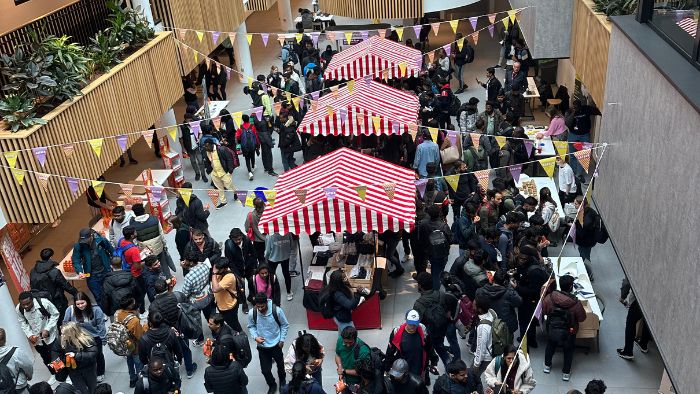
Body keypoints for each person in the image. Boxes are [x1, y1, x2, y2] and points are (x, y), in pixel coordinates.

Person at [542, 274, 586, 381]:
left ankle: (547, 366)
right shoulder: (576, 303)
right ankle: (566, 373)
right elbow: (582, 318)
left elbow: (544, 311)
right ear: (571, 287)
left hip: (552, 328)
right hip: (569, 331)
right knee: (568, 350)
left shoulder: (550, 297)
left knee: (550, 345)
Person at [248, 292, 290, 394]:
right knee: (265, 370)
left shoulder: (277, 311)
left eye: (262, 306)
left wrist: (281, 339)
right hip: (262, 346)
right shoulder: (252, 313)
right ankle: (272, 384)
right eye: (258, 307)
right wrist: (255, 337)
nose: (260, 309)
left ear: (266, 302)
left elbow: (285, 325)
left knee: (280, 365)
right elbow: (251, 326)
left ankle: (282, 380)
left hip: (276, 344)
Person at [63, 292, 107, 382]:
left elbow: (101, 326)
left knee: (98, 355)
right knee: (84, 356)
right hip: (78, 338)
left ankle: (100, 372)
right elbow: (65, 323)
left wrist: (102, 339)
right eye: (78, 304)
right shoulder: (70, 310)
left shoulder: (96, 310)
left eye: (82, 303)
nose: (80, 306)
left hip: (94, 338)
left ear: (87, 301)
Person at [16, 291, 59, 381]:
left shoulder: (44, 303)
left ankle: (62, 374)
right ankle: (53, 374)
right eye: (23, 304)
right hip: (37, 340)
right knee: (45, 357)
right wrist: (30, 335)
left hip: (50, 335)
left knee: (54, 356)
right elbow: (23, 322)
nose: (26, 306)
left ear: (33, 300)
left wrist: (47, 329)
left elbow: (55, 314)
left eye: (28, 303)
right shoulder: (19, 309)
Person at [384, 310, 437, 382]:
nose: (413, 326)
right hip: (403, 370)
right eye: (410, 324)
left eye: (415, 324)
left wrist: (434, 362)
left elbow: (429, 347)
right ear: (406, 320)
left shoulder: (423, 330)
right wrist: (387, 368)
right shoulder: (396, 332)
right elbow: (390, 351)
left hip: (419, 368)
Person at [30, 248, 78, 326]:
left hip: (42, 301)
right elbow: (65, 285)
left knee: (52, 319)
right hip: (57, 300)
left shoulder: (33, 271)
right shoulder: (54, 272)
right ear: (51, 257)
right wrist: (76, 293)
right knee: (64, 319)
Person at [513, 244, 548, 348]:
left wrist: (516, 288)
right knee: (527, 321)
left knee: (526, 321)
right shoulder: (523, 264)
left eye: (523, 259)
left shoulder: (535, 272)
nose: (521, 261)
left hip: (530, 300)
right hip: (523, 297)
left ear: (529, 258)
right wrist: (516, 275)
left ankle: (528, 341)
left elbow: (534, 290)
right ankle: (529, 339)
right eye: (520, 258)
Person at [413, 272, 451, 368]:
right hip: (441, 328)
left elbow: (417, 324)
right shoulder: (441, 295)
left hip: (428, 333)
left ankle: (430, 365)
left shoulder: (418, 304)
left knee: (426, 352)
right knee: (440, 347)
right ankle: (449, 366)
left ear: (420, 286)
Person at [130, 203, 175, 279]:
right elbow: (161, 234)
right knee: (163, 264)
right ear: (144, 210)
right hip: (158, 247)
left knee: (150, 266)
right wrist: (164, 245)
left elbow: (134, 240)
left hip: (145, 250)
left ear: (134, 213)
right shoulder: (154, 219)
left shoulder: (133, 224)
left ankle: (158, 282)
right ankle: (168, 278)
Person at [52, 322, 99, 394]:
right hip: (73, 371)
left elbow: (92, 354)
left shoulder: (86, 339)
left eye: (64, 334)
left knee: (93, 387)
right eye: (61, 333)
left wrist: (76, 355)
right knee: (81, 390)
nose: (62, 336)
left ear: (71, 333)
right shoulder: (61, 340)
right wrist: (59, 364)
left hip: (88, 369)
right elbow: (55, 352)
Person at [72, 227, 113, 305]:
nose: (85, 242)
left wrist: (113, 264)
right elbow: (76, 260)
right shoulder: (79, 245)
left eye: (86, 240)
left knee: (110, 292)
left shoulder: (101, 241)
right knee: (98, 296)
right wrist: (80, 271)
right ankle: (104, 312)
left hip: (105, 271)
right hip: (92, 275)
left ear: (91, 236)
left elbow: (111, 251)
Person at [475, 270, 522, 336]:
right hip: (505, 326)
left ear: (493, 279)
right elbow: (518, 302)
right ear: (506, 282)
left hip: (486, 324)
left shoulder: (480, 291)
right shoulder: (509, 293)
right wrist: (510, 287)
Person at [224, 228, 258, 314]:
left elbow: (253, 254)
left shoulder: (247, 240)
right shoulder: (229, 245)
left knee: (252, 283)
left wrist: (254, 266)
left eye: (239, 239)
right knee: (241, 287)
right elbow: (230, 261)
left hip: (249, 267)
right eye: (235, 240)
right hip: (238, 269)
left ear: (242, 236)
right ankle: (244, 303)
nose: (238, 241)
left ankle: (252, 297)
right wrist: (237, 275)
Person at [617, 278, 652, 360]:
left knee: (631, 323)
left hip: (639, 299)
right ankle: (643, 344)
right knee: (647, 321)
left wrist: (622, 297)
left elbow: (627, 282)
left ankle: (627, 352)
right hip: (653, 298)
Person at [114, 296, 145, 388]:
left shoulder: (118, 313)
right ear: (131, 306)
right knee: (138, 363)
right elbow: (140, 336)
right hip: (134, 346)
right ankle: (140, 382)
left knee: (129, 361)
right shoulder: (134, 320)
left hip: (123, 344)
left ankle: (132, 379)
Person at [566, 100, 601, 179]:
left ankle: (579, 174)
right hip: (573, 135)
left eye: (578, 107)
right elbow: (567, 123)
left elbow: (596, 111)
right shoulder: (569, 111)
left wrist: (601, 112)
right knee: (572, 155)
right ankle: (573, 171)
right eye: (575, 107)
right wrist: (573, 113)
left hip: (584, 135)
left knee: (583, 155)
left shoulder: (586, 109)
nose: (576, 108)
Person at [118, 225, 147, 312]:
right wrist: (147, 260)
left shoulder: (121, 241)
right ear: (132, 236)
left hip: (127, 270)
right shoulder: (133, 250)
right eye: (135, 232)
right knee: (141, 292)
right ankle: (141, 310)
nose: (136, 233)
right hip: (136, 274)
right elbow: (137, 266)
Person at [211, 259, 242, 332]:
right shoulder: (220, 272)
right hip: (221, 304)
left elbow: (215, 289)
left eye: (218, 269)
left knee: (234, 325)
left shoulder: (229, 277)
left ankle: (241, 338)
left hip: (228, 307)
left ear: (225, 268)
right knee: (229, 322)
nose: (216, 270)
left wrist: (213, 273)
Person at [203, 140, 236, 209]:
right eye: (205, 147)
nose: (206, 148)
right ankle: (223, 201)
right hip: (214, 173)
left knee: (229, 185)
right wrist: (209, 171)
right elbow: (207, 162)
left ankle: (235, 193)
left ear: (212, 144)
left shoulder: (222, 149)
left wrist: (230, 171)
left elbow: (229, 159)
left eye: (207, 146)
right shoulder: (207, 152)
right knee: (219, 187)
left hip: (224, 172)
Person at [0, 327, 34, 393]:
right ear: (5, 339)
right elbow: (28, 365)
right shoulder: (16, 352)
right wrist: (29, 376)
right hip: (18, 386)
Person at [265, 232, 294, 301]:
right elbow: (292, 246)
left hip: (273, 258)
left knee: (271, 275)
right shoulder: (288, 233)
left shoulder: (270, 236)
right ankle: (289, 292)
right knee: (286, 274)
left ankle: (272, 293)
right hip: (285, 256)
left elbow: (268, 251)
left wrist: (266, 258)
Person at [472, 295, 496, 375]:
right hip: (493, 351)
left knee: (472, 377)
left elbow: (481, 347)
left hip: (486, 357)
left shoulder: (483, 327)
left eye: (474, 305)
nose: (472, 305)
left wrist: (476, 364)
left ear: (480, 309)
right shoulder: (492, 312)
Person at [180, 112, 208, 182]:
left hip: (197, 146)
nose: (190, 122)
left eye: (191, 120)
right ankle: (197, 173)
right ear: (185, 120)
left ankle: (203, 175)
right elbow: (180, 138)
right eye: (188, 120)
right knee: (193, 161)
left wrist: (199, 138)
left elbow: (200, 133)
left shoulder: (196, 124)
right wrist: (183, 148)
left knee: (200, 161)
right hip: (188, 147)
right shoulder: (182, 127)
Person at [573, 196, 599, 262]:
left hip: (586, 241)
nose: (574, 205)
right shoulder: (589, 210)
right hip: (589, 240)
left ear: (581, 205)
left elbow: (581, 232)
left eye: (576, 204)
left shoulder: (585, 219)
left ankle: (587, 270)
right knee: (583, 253)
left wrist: (572, 226)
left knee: (585, 256)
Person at [236, 114, 261, 181]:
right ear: (248, 119)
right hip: (252, 145)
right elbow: (256, 136)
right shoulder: (252, 126)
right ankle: (253, 166)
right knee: (252, 156)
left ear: (243, 120)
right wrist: (258, 145)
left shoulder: (240, 127)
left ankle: (250, 172)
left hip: (245, 146)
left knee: (247, 159)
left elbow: (238, 137)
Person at [246, 198, 268, 264]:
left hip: (257, 241)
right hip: (269, 240)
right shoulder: (268, 214)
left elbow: (247, 229)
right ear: (263, 204)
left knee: (260, 258)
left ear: (254, 206)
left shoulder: (250, 215)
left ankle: (262, 271)